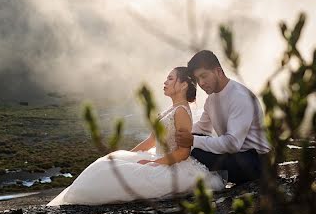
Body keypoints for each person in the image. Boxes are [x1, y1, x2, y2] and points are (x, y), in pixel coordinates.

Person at [47, 67, 223, 206]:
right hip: (157, 156)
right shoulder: (169, 109)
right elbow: (150, 141)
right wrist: (125, 156)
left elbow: (183, 152)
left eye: (170, 78)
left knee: (115, 177)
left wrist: (154, 164)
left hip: (172, 164)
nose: (165, 82)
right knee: (109, 162)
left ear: (184, 85)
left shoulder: (182, 112)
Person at [175, 50, 270, 184]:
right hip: (236, 156)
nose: (201, 83)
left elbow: (232, 144)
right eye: (197, 79)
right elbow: (201, 128)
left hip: (256, 161)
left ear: (218, 71)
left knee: (195, 151)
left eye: (204, 76)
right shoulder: (211, 100)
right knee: (190, 146)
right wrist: (175, 133)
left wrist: (192, 140)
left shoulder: (239, 97)